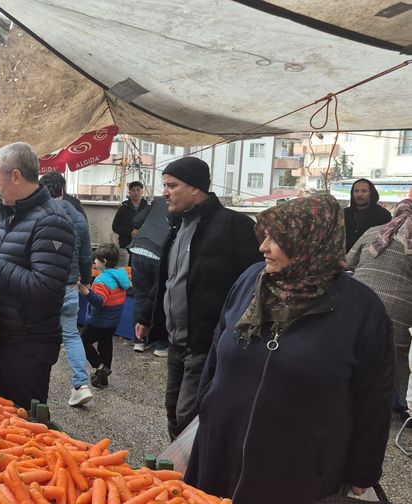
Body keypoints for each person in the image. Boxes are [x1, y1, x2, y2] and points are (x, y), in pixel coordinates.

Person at [186, 195, 394, 503]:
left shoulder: (361, 308)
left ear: (312, 241)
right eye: (264, 235)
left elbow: (375, 396)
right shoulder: (249, 282)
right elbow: (217, 352)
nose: (263, 247)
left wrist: (363, 468)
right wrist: (203, 410)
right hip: (220, 448)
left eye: (276, 239)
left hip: (299, 465)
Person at [134, 157, 262, 439]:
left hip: (207, 344)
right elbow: (169, 279)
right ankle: (177, 476)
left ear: (195, 188)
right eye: (164, 185)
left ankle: (191, 477)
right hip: (176, 342)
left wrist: (233, 334)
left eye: (171, 185)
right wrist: (147, 315)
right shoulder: (178, 227)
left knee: (189, 418)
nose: (164, 192)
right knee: (172, 411)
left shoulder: (234, 226)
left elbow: (254, 286)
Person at [0, 142, 74, 408]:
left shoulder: (52, 221)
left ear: (17, 176)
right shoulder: (11, 214)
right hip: (2, 338)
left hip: (27, 347)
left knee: (24, 427)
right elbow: (7, 259)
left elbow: (45, 288)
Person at [347, 199, 412, 416]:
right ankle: (400, 406)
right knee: (398, 355)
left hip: (360, 301)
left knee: (357, 347)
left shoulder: (373, 232)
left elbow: (348, 262)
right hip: (400, 307)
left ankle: (352, 396)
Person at [39, 172, 94, 407]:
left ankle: (36, 388)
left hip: (43, 286)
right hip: (71, 285)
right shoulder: (78, 217)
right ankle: (81, 385)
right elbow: (86, 255)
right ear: (63, 189)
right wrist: (87, 281)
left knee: (39, 336)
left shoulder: (39, 213)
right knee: (71, 336)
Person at [79, 243, 131, 388]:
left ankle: (100, 368)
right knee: (105, 345)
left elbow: (100, 301)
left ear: (104, 262)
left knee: (82, 342)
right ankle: (103, 379)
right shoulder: (120, 276)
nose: (94, 262)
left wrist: (86, 293)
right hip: (113, 321)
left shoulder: (102, 280)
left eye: (96, 259)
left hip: (99, 321)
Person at [129, 198, 169, 354]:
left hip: (138, 249)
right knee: (160, 297)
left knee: (140, 297)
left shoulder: (158, 202)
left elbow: (136, 219)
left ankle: (139, 341)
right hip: (159, 253)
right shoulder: (183, 205)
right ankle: (160, 344)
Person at [344, 178, 391, 252]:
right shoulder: (344, 213)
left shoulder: (383, 215)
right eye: (356, 191)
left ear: (371, 193)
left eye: (364, 191)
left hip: (369, 258)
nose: (359, 194)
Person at [112, 181, 148, 264]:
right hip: (125, 245)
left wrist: (141, 232)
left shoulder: (147, 208)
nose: (136, 192)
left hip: (143, 246)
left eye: (138, 190)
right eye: (133, 190)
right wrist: (130, 232)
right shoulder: (123, 208)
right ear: (129, 193)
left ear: (142, 192)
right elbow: (115, 226)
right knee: (125, 270)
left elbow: (152, 226)